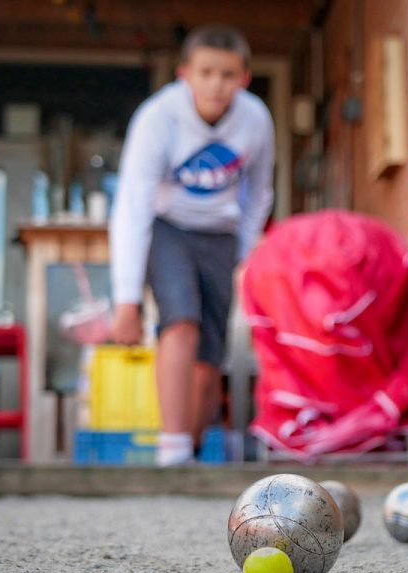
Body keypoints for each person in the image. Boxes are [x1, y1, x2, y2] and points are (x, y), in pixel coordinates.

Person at [110, 25, 274, 466]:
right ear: (185, 74)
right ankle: (172, 448)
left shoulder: (256, 119)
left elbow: (259, 193)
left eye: (227, 74)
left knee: (209, 355)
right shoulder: (157, 118)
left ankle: (194, 451)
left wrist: (246, 252)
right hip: (169, 228)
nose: (215, 84)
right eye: (205, 72)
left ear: (243, 77)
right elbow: (132, 206)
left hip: (220, 235)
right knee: (180, 323)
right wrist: (126, 299)